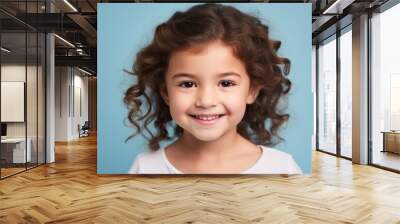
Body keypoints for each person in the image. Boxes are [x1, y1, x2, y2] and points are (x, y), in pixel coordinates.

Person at [124, 3, 302, 174]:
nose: (206, 101)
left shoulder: (282, 167)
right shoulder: (145, 167)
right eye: (187, 84)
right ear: (166, 93)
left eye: (226, 83)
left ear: (252, 91)